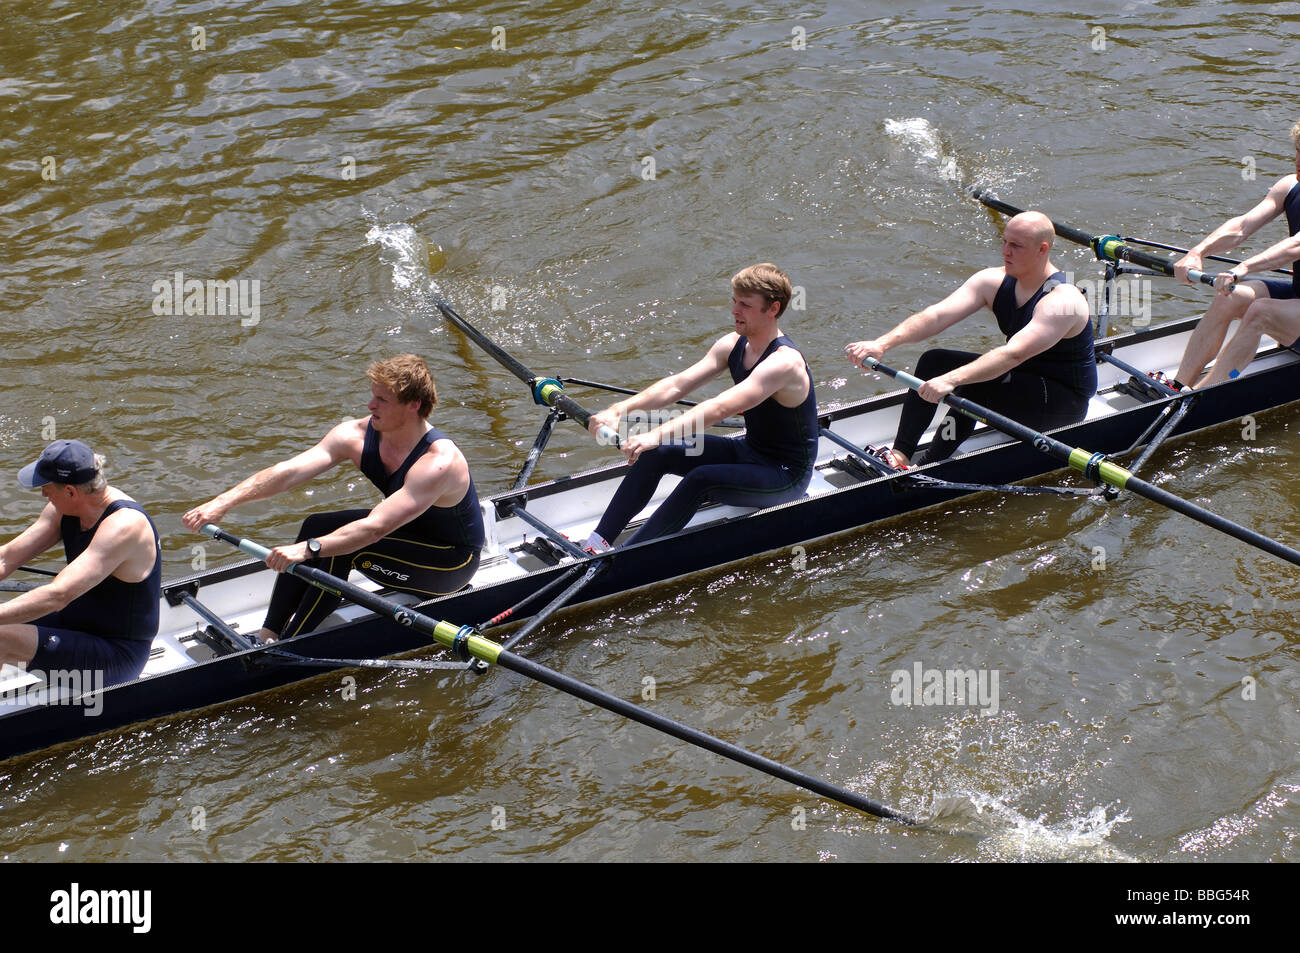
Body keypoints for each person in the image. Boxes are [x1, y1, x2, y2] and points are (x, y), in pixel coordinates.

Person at [182, 355, 484, 642]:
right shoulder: (355, 434)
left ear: (413, 405)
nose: (370, 404)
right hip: (406, 535)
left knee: (335, 548)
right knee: (316, 524)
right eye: (372, 395)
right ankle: (268, 633)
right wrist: (224, 502)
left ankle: (290, 644)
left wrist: (308, 549)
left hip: (451, 563)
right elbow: (289, 472)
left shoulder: (438, 462)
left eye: (382, 400)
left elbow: (374, 529)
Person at [582, 262, 818, 551]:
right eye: (734, 301)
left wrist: (654, 433)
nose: (734, 310)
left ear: (773, 309)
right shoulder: (733, 344)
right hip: (749, 450)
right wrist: (618, 411)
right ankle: (596, 543)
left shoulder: (784, 363)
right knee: (656, 455)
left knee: (700, 479)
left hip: (785, 475)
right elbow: (677, 385)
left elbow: (719, 408)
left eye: (745, 304)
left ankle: (625, 559)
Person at [845, 210, 1095, 468]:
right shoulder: (993, 280)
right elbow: (936, 316)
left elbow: (1013, 354)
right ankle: (901, 454)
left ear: (1042, 249)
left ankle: (928, 466)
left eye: (1016, 246)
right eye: (1005, 242)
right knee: (934, 360)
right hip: (1020, 379)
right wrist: (882, 343)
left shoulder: (1063, 301)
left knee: (975, 384)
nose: (1005, 252)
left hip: (1061, 402)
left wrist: (951, 380)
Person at [0, 439, 161, 686]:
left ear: (70, 491)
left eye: (46, 486)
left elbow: (58, 595)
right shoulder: (65, 507)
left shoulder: (124, 526)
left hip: (116, 654)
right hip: (73, 625)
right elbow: (7, 557)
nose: (43, 493)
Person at [1170, 122, 1300, 389]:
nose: (1298, 160)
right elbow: (1241, 227)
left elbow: (1295, 246)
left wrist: (1240, 269)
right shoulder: (1289, 185)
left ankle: (1202, 396)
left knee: (1260, 311)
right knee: (1230, 297)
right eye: (1298, 150)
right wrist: (1197, 252)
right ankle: (1177, 386)